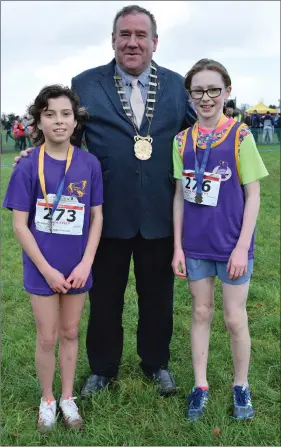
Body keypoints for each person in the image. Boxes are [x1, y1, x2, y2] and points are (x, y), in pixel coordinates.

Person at [14, 4, 197, 397]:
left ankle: (156, 363)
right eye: (125, 35)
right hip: (102, 215)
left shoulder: (177, 86)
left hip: (159, 214)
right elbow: (67, 135)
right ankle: (102, 368)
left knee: (158, 298)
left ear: (155, 42)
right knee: (105, 298)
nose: (132, 43)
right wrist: (34, 151)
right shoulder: (86, 82)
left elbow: (197, 136)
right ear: (113, 40)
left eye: (140, 35)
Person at [172, 59, 268, 421]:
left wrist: (243, 246)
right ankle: (200, 385)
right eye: (198, 90)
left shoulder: (240, 135)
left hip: (232, 245)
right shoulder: (182, 140)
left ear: (227, 92)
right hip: (196, 245)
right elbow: (180, 196)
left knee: (233, 317)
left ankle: (240, 385)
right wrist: (178, 246)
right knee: (200, 312)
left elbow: (254, 194)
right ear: (190, 96)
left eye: (214, 89)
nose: (206, 97)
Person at [4, 85, 103, 432]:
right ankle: (47, 399)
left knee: (71, 331)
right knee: (47, 337)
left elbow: (97, 217)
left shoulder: (89, 163)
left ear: (75, 122)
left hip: (77, 267)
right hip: (41, 268)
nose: (59, 121)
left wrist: (86, 262)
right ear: (38, 122)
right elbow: (19, 225)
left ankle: (67, 397)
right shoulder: (28, 165)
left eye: (65, 114)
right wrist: (45, 269)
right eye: (50, 114)